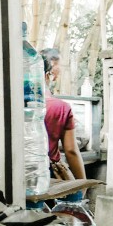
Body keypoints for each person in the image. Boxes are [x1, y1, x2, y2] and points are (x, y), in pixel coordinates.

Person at [41, 48, 87, 198]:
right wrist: (82, 184)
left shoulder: (10, 105)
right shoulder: (60, 107)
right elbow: (71, 150)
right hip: (49, 177)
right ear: (48, 75)